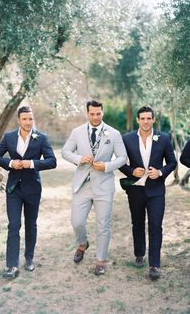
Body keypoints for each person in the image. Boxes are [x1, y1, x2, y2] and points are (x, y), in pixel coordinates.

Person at [61, 100, 127, 276]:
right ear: (87, 113)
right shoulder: (77, 132)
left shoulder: (114, 133)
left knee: (102, 225)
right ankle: (82, 244)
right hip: (82, 184)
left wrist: (106, 166)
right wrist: (79, 158)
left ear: (102, 113)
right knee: (77, 221)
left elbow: (122, 158)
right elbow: (65, 151)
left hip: (104, 185)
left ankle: (100, 259)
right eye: (92, 114)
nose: (95, 117)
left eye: (98, 114)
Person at [0, 106, 56, 279]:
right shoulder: (9, 137)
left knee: (30, 224)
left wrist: (31, 163)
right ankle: (11, 265)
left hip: (32, 188)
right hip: (13, 189)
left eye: (30, 119)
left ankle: (29, 259)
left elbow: (52, 161)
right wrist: (11, 163)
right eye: (25, 119)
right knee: (13, 225)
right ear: (19, 120)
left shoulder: (41, 138)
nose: (28, 122)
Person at [119, 105, 177, 280]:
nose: (145, 121)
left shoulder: (164, 138)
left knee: (155, 226)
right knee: (137, 223)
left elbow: (172, 162)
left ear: (153, 119)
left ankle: (154, 265)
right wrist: (131, 171)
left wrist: (160, 172)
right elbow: (120, 162)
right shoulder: (127, 139)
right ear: (138, 120)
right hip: (135, 189)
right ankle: (139, 254)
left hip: (156, 191)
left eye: (148, 118)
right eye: (142, 118)